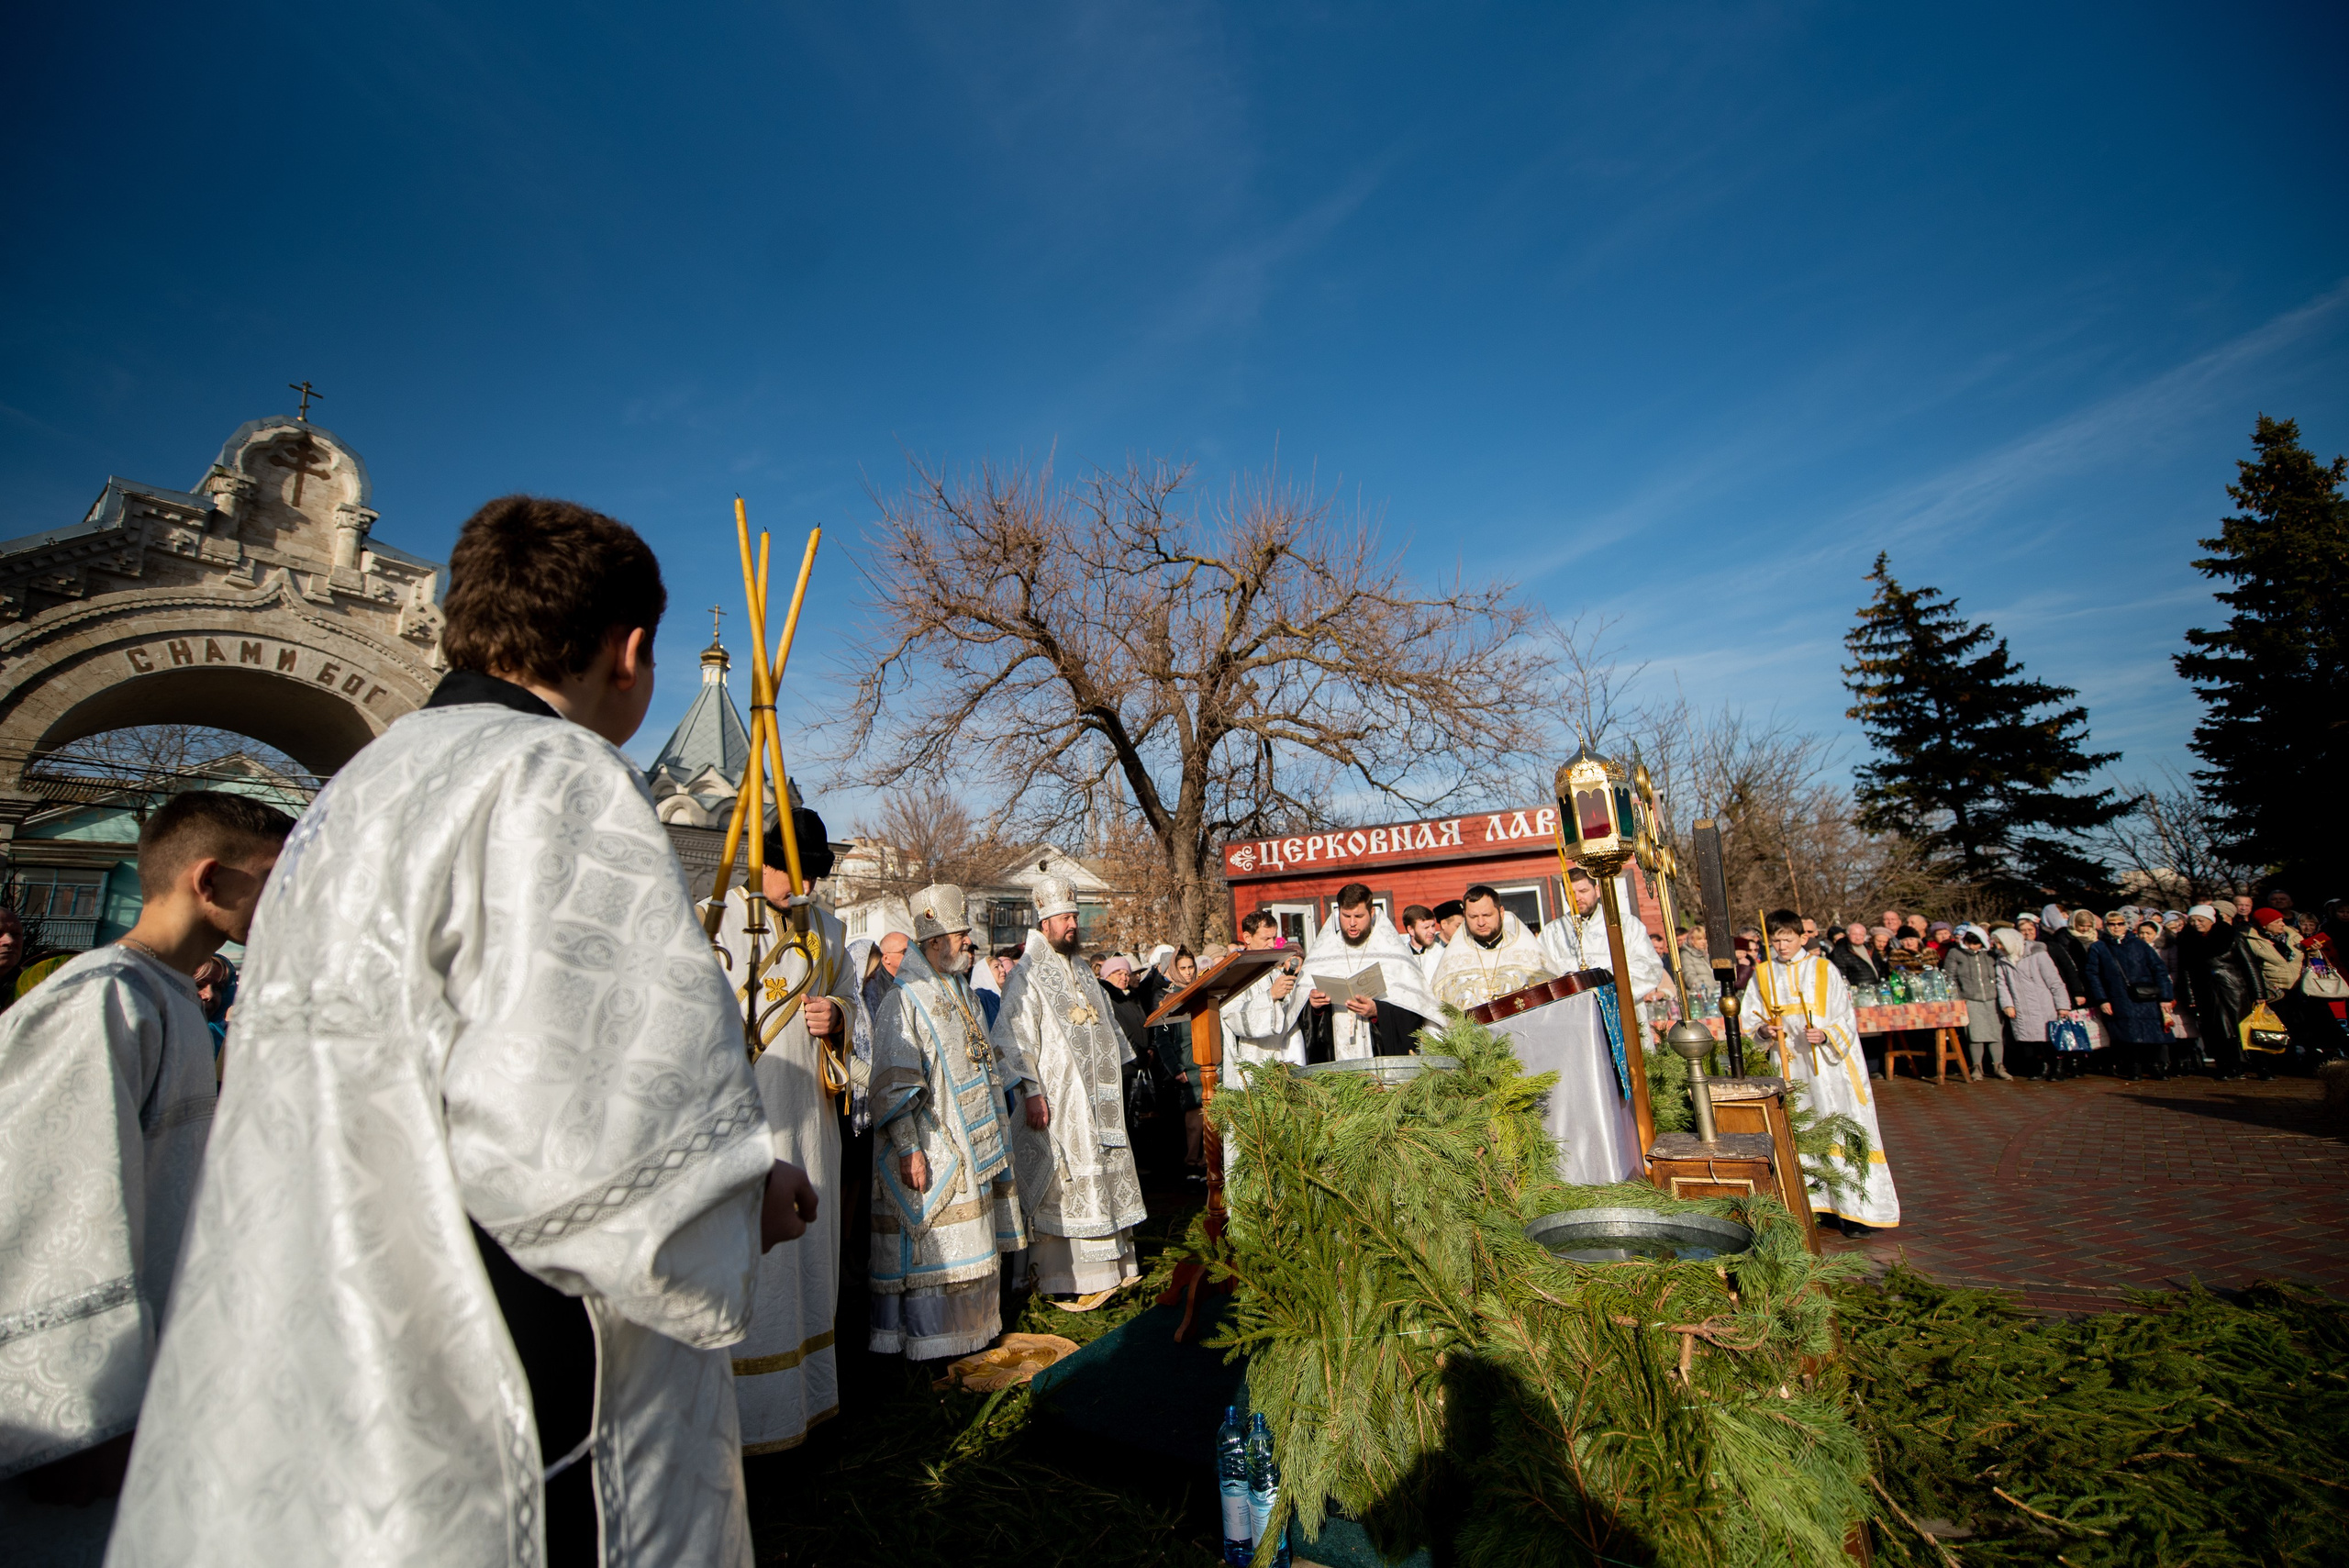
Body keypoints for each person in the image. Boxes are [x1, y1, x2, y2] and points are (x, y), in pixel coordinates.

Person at [108, 496, 818, 1568]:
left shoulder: (358, 789)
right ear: (628, 653)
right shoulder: (557, 775)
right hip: (502, 1348)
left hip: (329, 1303)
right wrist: (726, 1196)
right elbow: (588, 1125)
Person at [0, 792, 293, 1501]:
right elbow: (49, 1211)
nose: (295, 899)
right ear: (211, 879)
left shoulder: (169, 996)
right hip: (78, 1422)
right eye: (278, 879)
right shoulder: (99, 997)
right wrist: (71, 1413)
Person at [713, 808, 857, 1457]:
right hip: (746, 1128)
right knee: (756, 1270)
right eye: (788, 870)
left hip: (812, 1128)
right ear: (764, 860)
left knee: (807, 1259)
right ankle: (746, 1421)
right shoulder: (714, 922)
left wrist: (841, 1018)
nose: (800, 886)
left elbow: (858, 1010)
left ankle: (810, 1401)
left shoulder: (828, 929)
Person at [867, 884, 1030, 1362]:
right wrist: (908, 1147)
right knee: (935, 1250)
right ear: (934, 941)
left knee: (978, 1241)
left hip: (974, 1144)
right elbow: (894, 1084)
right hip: (935, 1144)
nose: (967, 942)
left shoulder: (963, 992)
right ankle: (931, 1342)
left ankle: (974, 1333)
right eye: (960, 934)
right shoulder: (904, 1000)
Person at [991, 875, 1144, 1303]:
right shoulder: (1027, 973)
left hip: (1097, 1102)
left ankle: (1111, 1270)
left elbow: (1108, 1030)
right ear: (1045, 923)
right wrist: (1031, 1091)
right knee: (1064, 1181)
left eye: (1075, 916)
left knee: (1104, 1174)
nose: (1073, 924)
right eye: (1064, 918)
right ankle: (1061, 1277)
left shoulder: (1082, 969)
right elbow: (1013, 1037)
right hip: (1058, 1102)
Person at [1740, 908, 1898, 1231]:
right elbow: (1750, 1018)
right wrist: (1763, 1031)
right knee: (1802, 1132)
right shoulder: (1764, 973)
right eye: (1776, 940)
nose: (1782, 946)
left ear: (1802, 937)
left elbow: (1845, 1017)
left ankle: (1857, 1209)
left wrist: (1826, 1034)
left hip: (1828, 1069)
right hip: (1790, 1067)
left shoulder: (1824, 969)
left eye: (1787, 939)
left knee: (1838, 1125)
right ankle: (1816, 1203)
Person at [1301, 883, 1442, 1061]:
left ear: (1372, 913)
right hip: (1336, 1055)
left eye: (1359, 916)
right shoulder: (1324, 952)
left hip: (1381, 1055)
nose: (1352, 923)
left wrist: (1378, 1012)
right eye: (1346, 916)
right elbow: (1300, 1016)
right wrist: (1314, 1006)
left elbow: (1416, 1010)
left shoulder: (1392, 951)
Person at [1537, 865, 1670, 1045]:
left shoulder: (1626, 925)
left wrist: (1605, 979)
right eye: (1570, 892)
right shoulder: (1552, 932)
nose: (1577, 898)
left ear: (1597, 890)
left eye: (1583, 890)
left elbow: (1650, 966)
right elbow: (1542, 975)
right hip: (1576, 1022)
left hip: (1623, 1016)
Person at [1428, 884, 1553, 1011]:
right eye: (1473, 917)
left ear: (1501, 912)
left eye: (1487, 915)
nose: (1481, 922)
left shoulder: (1527, 951)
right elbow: (1437, 1014)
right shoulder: (1452, 960)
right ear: (1465, 915)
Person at [2082, 908, 2174, 1081]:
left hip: (2146, 996)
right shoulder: (2099, 947)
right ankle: (2134, 1067)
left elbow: (2159, 969)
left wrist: (2166, 996)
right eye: (2112, 924)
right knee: (2127, 1035)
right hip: (2119, 996)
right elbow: (2092, 975)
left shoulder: (2140, 945)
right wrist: (2102, 999)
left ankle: (2155, 1065)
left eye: (2120, 924)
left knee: (2153, 1032)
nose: (2116, 927)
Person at [2177, 904, 2260, 1081]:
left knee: (2243, 1029)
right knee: (2217, 1031)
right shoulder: (2187, 941)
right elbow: (2185, 972)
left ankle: (2259, 1065)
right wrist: (2190, 997)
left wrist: (2259, 994)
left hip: (2234, 990)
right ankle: (2227, 1066)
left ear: (2212, 920)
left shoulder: (2231, 936)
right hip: (2206, 992)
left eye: (2201, 920)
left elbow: (2250, 966)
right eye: (2192, 920)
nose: (2196, 924)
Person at [1221, 909, 1308, 1075]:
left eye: (1274, 938)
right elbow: (1231, 1016)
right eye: (1266, 938)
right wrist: (1271, 996)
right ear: (1247, 938)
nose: (1272, 944)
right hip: (1251, 1061)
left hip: (1280, 1060)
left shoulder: (1275, 971)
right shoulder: (1233, 975)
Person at [1993, 927, 2073, 1081]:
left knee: (2049, 1038)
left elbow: (2055, 981)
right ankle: (2041, 1066)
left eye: (2000, 943)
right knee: (2031, 1040)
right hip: (2021, 1005)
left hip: (2043, 1004)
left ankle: (2058, 1067)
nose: (1998, 947)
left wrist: (2062, 1006)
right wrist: (2007, 1004)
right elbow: (2002, 984)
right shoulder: (2002, 960)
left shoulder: (2038, 956)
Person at [1942, 925, 2009, 1079]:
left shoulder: (1991, 955)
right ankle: (1977, 1066)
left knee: (1996, 1034)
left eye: (1976, 943)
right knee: (1975, 1035)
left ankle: (1998, 1065)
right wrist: (1958, 998)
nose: (1972, 947)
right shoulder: (1956, 953)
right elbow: (1950, 977)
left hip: (1992, 999)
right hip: (1970, 999)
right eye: (1969, 942)